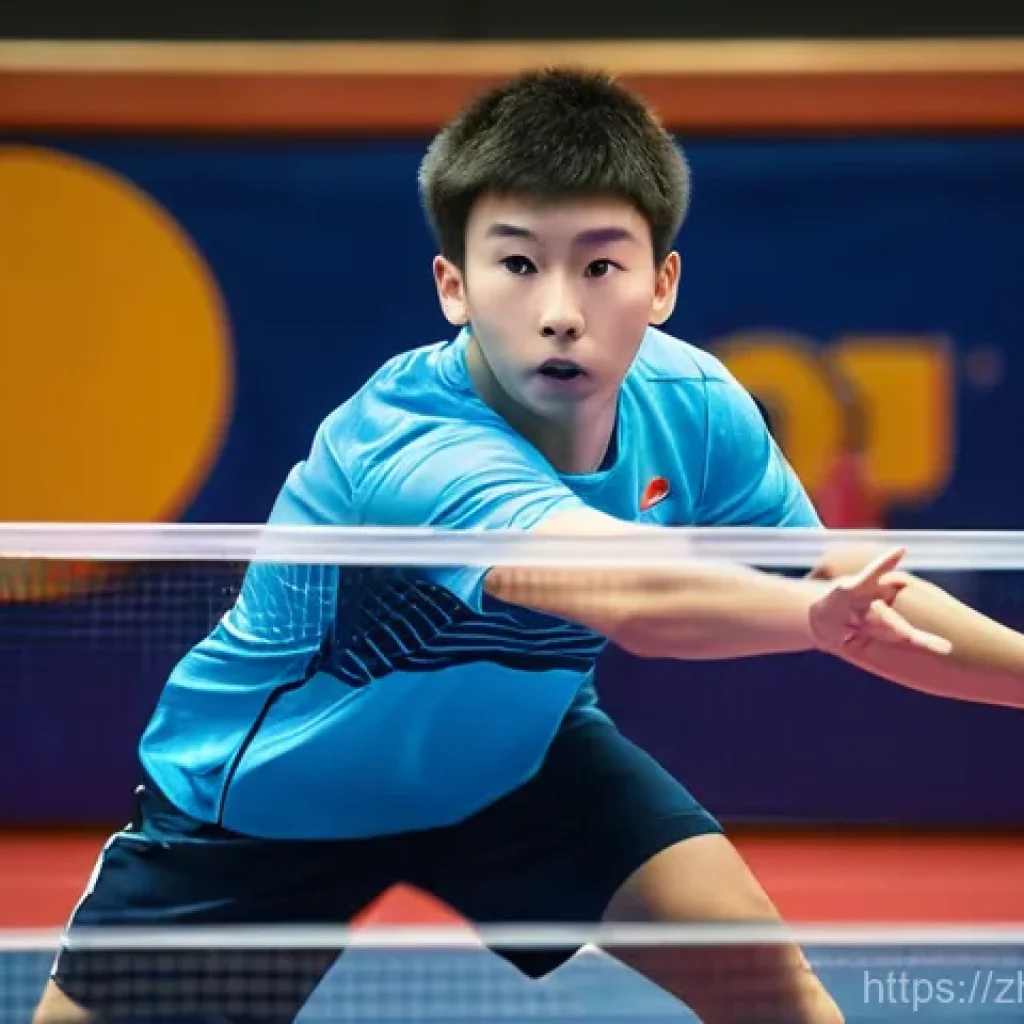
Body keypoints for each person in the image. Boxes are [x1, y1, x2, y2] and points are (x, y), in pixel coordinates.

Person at [35, 67, 1024, 1024]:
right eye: (516, 263)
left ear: (662, 281)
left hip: (512, 762)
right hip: (266, 807)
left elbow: (865, 597)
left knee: (772, 991)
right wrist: (810, 618)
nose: (559, 308)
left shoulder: (694, 407)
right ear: (453, 286)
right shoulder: (412, 446)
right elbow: (635, 599)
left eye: (599, 265)